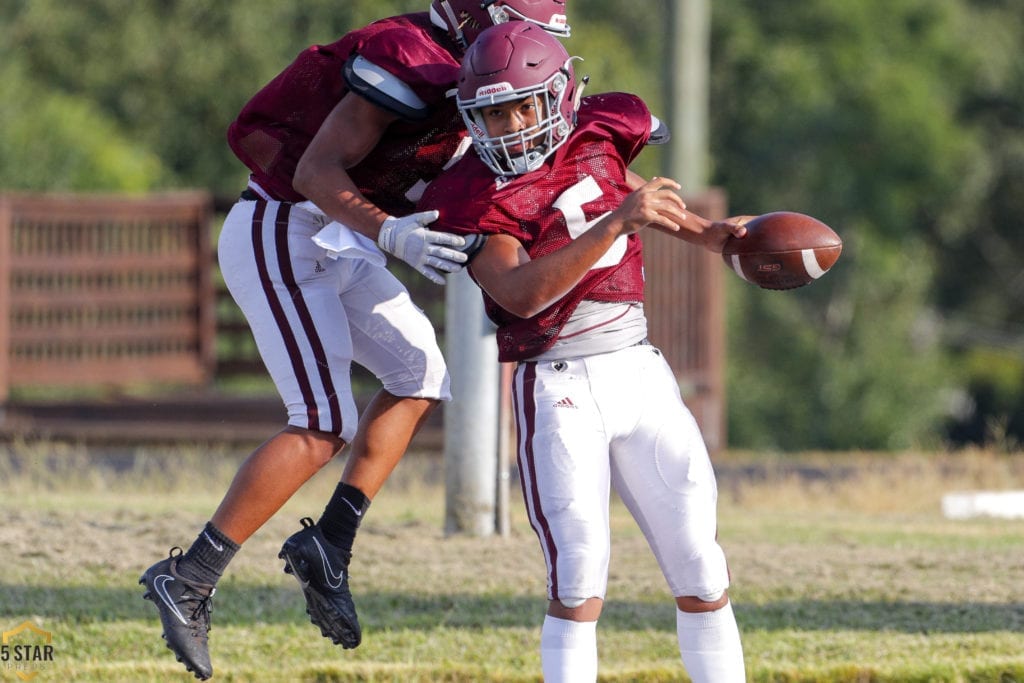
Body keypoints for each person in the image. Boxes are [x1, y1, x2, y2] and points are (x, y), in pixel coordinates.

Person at [138, 2, 571, 680]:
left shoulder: (479, 77)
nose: (533, 48)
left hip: (337, 240)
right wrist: (390, 231)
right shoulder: (410, 55)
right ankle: (188, 576)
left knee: (421, 371)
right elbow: (314, 173)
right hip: (282, 226)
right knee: (321, 421)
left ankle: (329, 545)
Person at [417, 22, 748, 682]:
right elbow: (518, 293)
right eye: (493, 113)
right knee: (578, 571)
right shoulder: (473, 194)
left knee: (701, 562)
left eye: (522, 106)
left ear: (562, 95)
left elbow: (628, 191)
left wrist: (714, 235)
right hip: (559, 381)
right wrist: (617, 223)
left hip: (639, 367)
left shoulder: (600, 133)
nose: (510, 126)